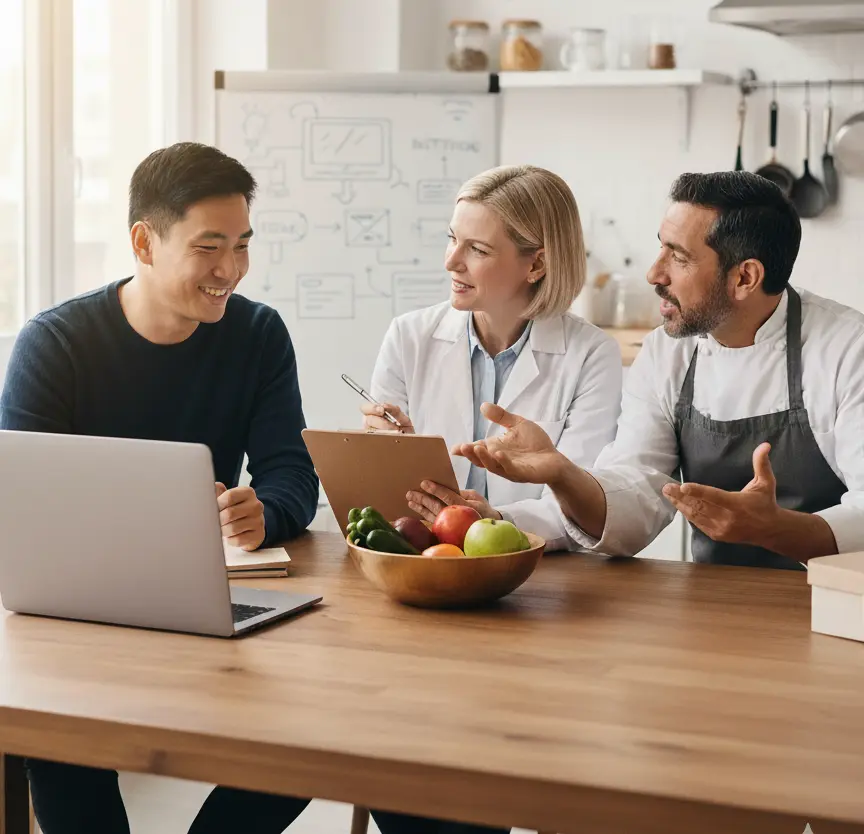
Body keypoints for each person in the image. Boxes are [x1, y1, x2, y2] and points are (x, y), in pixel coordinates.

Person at [0, 142, 320, 833]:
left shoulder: (259, 336)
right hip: (76, 621)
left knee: (313, 732)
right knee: (60, 745)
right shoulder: (54, 345)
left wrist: (263, 512)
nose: (230, 270)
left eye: (241, 245)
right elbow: (21, 508)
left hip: (217, 605)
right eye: (210, 247)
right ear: (145, 242)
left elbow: (293, 476)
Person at [451, 171, 864, 569]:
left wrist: (776, 530)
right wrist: (564, 474)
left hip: (839, 607)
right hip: (716, 603)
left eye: (679, 257)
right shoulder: (668, 352)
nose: (654, 273)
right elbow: (638, 494)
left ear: (745, 277)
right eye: (661, 248)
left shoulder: (848, 350)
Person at [361, 164, 623, 553]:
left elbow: (581, 501)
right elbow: (377, 497)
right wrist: (384, 452)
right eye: (452, 239)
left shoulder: (590, 355)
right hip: (424, 561)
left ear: (535, 264)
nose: (452, 261)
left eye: (477, 249)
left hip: (540, 576)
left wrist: (498, 521)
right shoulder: (408, 336)